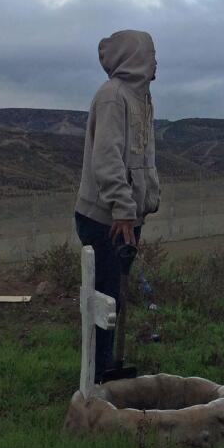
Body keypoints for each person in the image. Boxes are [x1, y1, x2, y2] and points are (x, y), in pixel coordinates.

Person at [73, 29, 161, 382]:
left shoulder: (138, 98)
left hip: (124, 215)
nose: (155, 62)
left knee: (115, 297)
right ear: (133, 57)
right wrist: (123, 209)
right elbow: (107, 159)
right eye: (150, 54)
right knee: (106, 299)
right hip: (106, 217)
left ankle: (106, 366)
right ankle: (97, 375)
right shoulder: (113, 97)